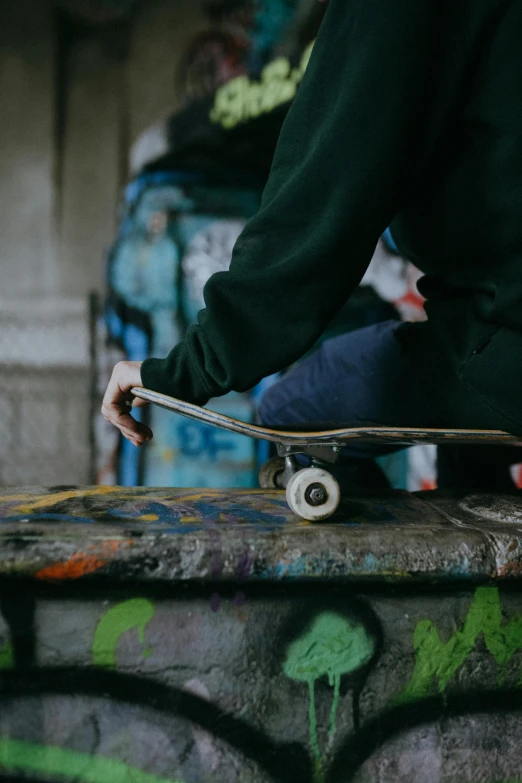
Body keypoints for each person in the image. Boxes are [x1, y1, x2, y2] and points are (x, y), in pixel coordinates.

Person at [102, 0, 522, 489]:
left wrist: (185, 370)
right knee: (468, 457)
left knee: (293, 410)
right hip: (494, 337)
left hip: (504, 344)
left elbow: (326, 189)